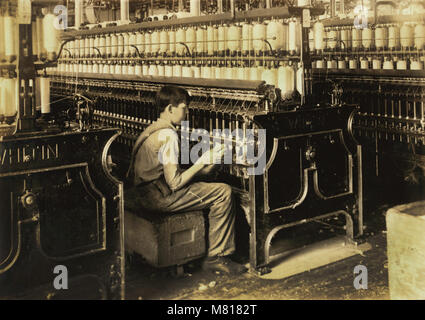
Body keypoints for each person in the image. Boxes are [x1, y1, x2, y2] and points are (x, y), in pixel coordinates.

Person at [126, 85, 245, 274]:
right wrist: (202, 161)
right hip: (157, 197)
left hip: (140, 193)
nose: (187, 112)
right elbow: (174, 183)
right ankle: (217, 257)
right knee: (223, 192)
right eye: (184, 107)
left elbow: (168, 173)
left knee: (209, 186)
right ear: (171, 109)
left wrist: (207, 167)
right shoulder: (169, 136)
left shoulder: (153, 129)